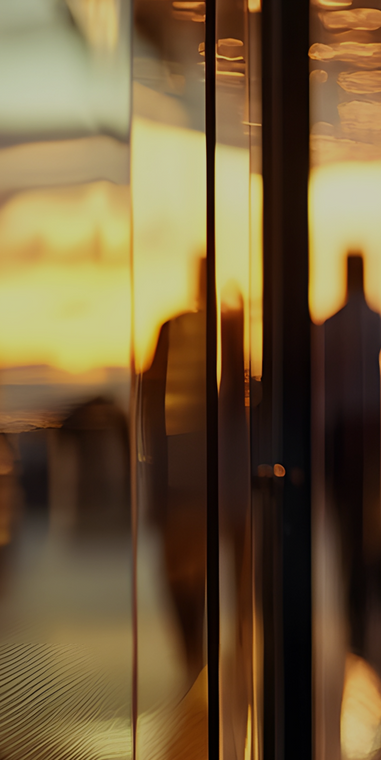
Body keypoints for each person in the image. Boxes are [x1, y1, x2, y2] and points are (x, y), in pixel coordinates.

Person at [140, 258, 210, 678]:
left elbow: (151, 399)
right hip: (196, 469)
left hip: (180, 468)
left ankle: (190, 648)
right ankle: (192, 649)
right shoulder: (217, 332)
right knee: (189, 562)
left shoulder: (180, 329)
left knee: (180, 563)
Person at [321, 253, 381, 659]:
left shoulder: (331, 324)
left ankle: (355, 612)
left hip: (342, 429)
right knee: (369, 526)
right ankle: (364, 611)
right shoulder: (378, 322)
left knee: (347, 526)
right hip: (368, 429)